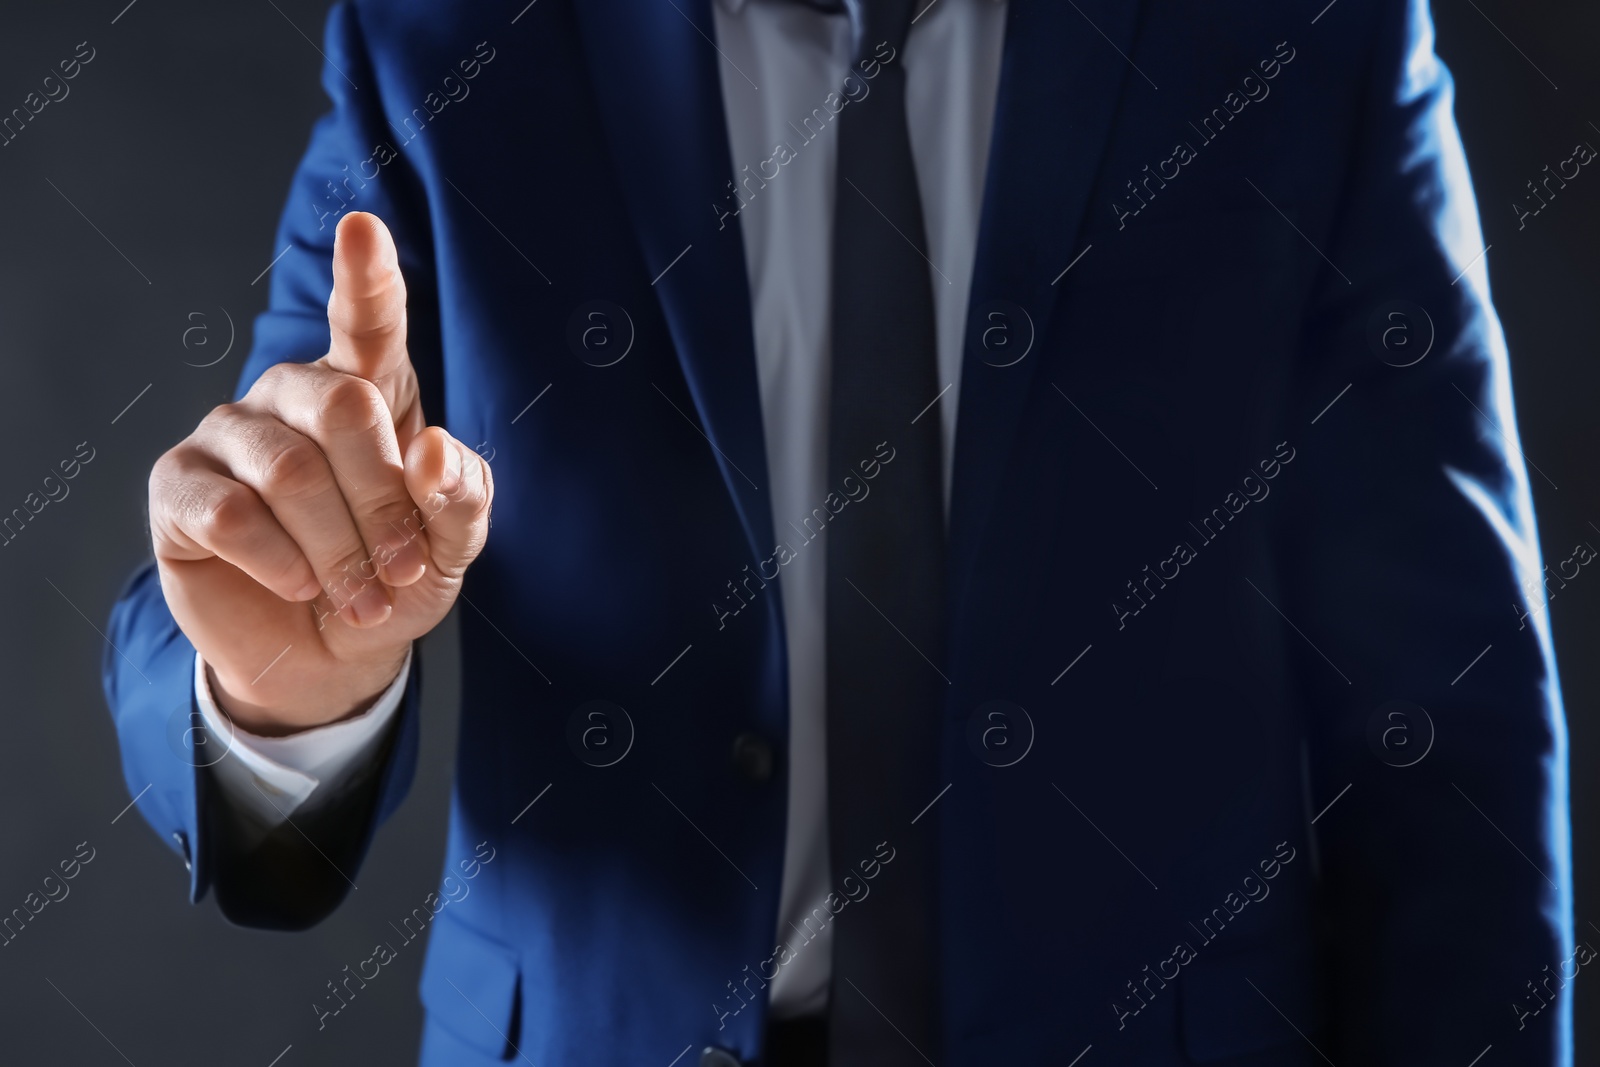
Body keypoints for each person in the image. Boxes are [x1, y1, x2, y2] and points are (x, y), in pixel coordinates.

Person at [102, 0, 1574, 1064]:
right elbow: (288, 497)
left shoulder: (1311, 34)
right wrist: (289, 685)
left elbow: (1449, 718)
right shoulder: (444, 37)